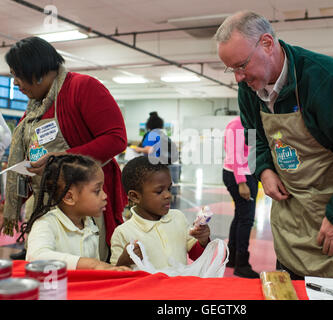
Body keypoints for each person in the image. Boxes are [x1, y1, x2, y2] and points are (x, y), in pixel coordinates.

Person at [214, 11, 333, 280]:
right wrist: (264, 170)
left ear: (267, 43)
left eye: (242, 65)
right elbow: (254, 139)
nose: (238, 78)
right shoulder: (248, 90)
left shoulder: (327, 79)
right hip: (291, 217)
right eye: (232, 70)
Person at [1, 37, 128, 262]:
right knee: (46, 266)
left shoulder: (82, 87)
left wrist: (62, 158)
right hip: (45, 204)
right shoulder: (35, 108)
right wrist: (7, 206)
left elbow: (115, 139)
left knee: (88, 263)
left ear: (36, 70)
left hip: (82, 202)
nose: (16, 84)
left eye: (17, 75)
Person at [23, 154, 129, 270]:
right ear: (69, 197)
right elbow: (37, 257)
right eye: (97, 190)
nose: (105, 196)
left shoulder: (90, 226)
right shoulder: (46, 224)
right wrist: (93, 265)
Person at [110, 156, 210, 268]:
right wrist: (124, 261)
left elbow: (195, 255)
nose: (168, 195)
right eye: (159, 191)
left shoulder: (178, 218)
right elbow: (115, 275)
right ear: (135, 196)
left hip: (179, 285)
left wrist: (202, 240)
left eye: (169, 189)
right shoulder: (123, 233)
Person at [223, 116, 259, 278]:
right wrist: (242, 182)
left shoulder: (249, 123)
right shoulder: (237, 124)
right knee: (247, 219)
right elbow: (236, 154)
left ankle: (232, 258)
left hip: (245, 173)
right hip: (239, 176)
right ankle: (242, 264)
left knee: (240, 216)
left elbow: (248, 151)